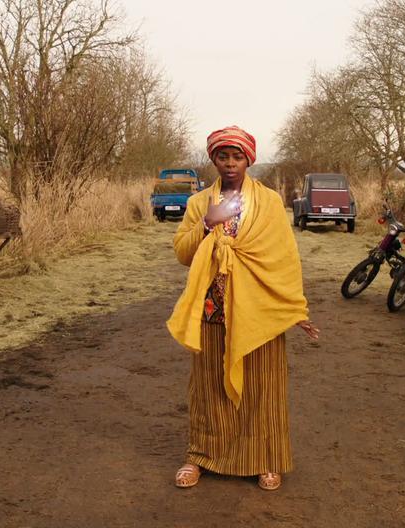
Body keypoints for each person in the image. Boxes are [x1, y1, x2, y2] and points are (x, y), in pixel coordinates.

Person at [166, 125, 320, 491]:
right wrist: (208, 223)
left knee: (262, 388)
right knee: (208, 388)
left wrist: (293, 309)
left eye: (237, 157)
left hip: (258, 313)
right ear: (213, 160)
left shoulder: (268, 202)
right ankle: (201, 455)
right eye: (223, 156)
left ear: (249, 159)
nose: (230, 164)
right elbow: (182, 253)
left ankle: (266, 460)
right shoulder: (198, 203)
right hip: (211, 311)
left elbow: (282, 260)